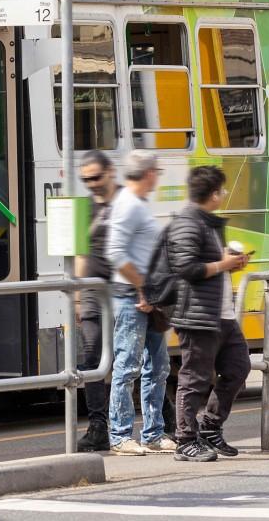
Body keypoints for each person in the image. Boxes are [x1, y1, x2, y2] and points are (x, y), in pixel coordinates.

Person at [168, 164, 252, 463]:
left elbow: (207, 261)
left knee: (238, 368)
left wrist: (229, 260)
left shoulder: (206, 221)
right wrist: (224, 265)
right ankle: (185, 440)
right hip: (198, 315)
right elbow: (186, 267)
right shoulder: (188, 222)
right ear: (214, 194)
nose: (225, 194)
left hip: (222, 315)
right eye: (223, 190)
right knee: (194, 379)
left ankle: (210, 426)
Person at [105, 149, 173, 456]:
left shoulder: (136, 204)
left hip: (146, 295)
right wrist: (142, 287)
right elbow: (115, 253)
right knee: (128, 365)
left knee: (157, 366)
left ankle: (153, 433)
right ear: (147, 173)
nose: (158, 175)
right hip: (133, 296)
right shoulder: (129, 205)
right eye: (156, 170)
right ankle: (120, 435)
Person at [73, 150, 118, 452]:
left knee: (133, 360)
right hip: (92, 294)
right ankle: (98, 426)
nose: (91, 184)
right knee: (91, 360)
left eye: (96, 177)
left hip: (121, 291)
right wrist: (78, 298)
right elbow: (80, 253)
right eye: (85, 179)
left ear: (110, 172)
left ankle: (165, 418)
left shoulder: (126, 203)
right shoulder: (83, 209)